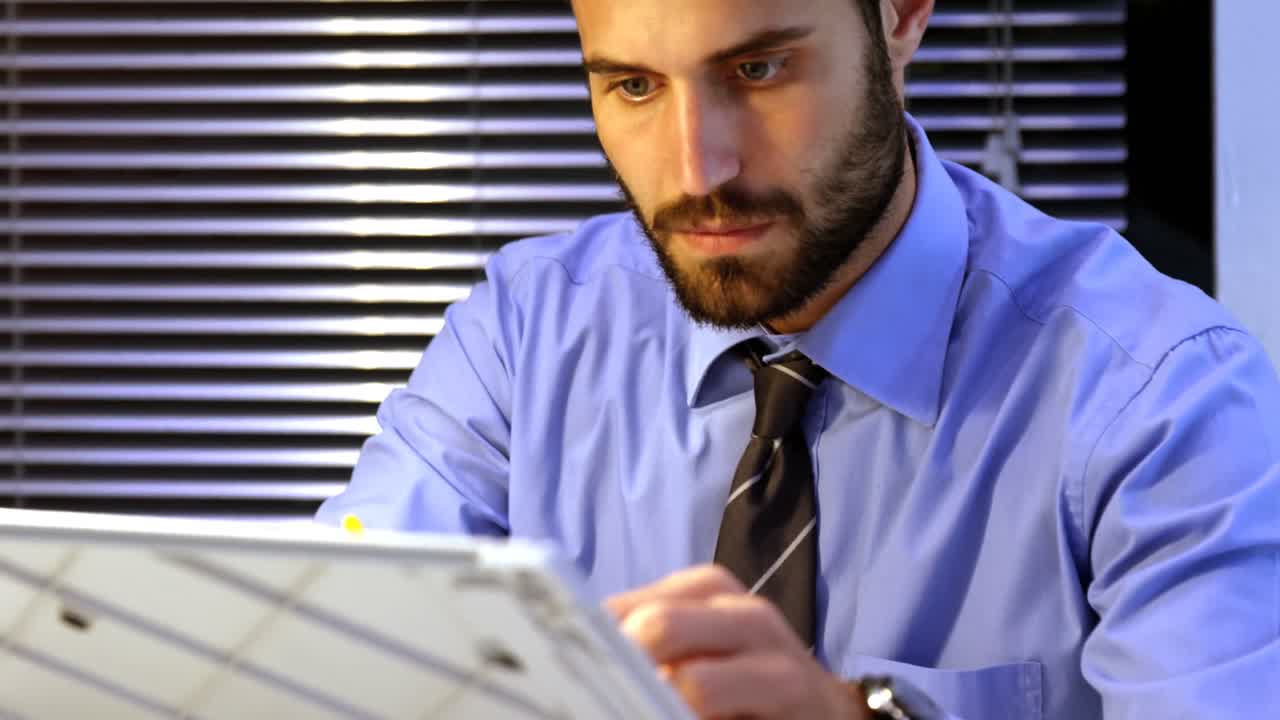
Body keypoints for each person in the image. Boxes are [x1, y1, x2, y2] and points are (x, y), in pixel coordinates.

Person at [318, 0, 1280, 717]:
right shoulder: (522, 339)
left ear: (900, 21)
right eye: (634, 87)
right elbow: (330, 660)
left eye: (760, 69)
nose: (699, 173)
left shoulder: (1162, 393)